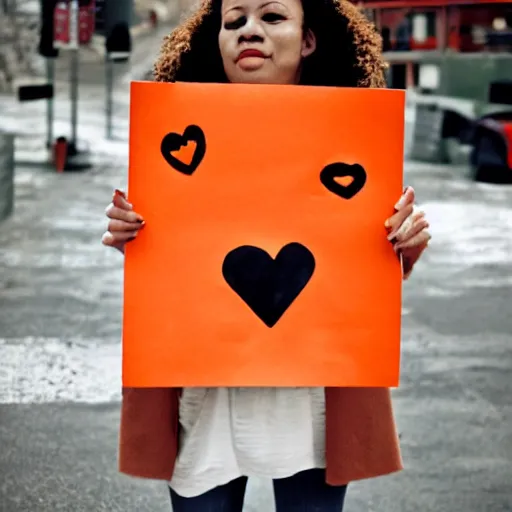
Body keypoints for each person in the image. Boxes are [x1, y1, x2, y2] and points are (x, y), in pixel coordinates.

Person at [102, 0, 431, 510]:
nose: (248, 30)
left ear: (308, 40)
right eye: (233, 21)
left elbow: (357, 260)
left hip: (312, 394)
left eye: (272, 17)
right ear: (216, 41)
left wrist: (400, 244)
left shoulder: (357, 136)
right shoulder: (174, 138)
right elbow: (173, 255)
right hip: (205, 387)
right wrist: (134, 232)